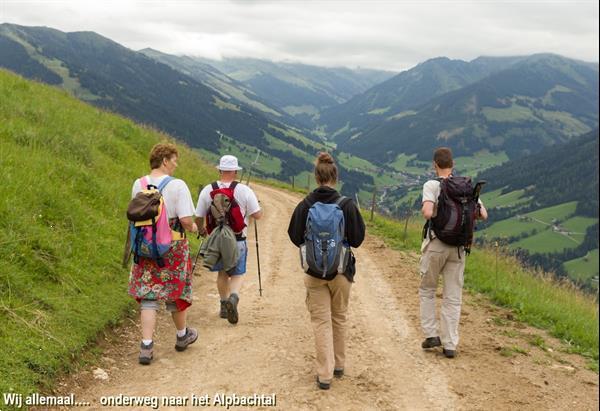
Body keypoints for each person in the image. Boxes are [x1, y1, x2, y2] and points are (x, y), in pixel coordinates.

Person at [287, 152, 365, 390]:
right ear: (335, 176)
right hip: (341, 272)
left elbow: (293, 235)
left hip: (313, 273)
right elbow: (358, 239)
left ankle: (325, 375)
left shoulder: (305, 204)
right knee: (339, 317)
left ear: (316, 176)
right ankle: (339, 365)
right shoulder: (347, 204)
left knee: (321, 321)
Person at [128, 143, 199, 365]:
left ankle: (146, 346)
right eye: (175, 160)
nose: (176, 165)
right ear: (165, 160)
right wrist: (195, 228)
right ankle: (181, 336)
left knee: (148, 296)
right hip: (173, 248)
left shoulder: (138, 184)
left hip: (145, 247)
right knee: (176, 293)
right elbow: (186, 221)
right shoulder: (177, 186)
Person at [419, 147, 488, 358]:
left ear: (435, 165)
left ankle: (431, 334)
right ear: (453, 165)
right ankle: (450, 344)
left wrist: (438, 215)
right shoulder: (465, 187)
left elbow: (427, 212)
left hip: (436, 243)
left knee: (428, 289)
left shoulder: (431, 185)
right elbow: (483, 214)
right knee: (453, 296)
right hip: (458, 247)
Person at [195, 155, 262, 324]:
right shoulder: (244, 190)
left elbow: (198, 216)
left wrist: (202, 230)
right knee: (238, 273)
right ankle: (234, 297)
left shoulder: (208, 190)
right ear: (235, 171)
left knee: (222, 273)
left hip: (217, 240)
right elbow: (258, 215)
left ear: (220, 170)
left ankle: (224, 305)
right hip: (238, 239)